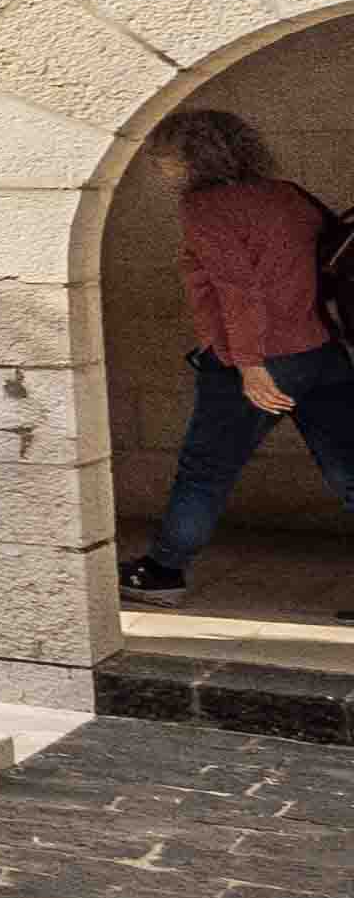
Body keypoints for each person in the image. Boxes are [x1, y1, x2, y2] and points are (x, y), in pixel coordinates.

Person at [125, 106, 354, 600]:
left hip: (257, 361)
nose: (158, 168)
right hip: (322, 353)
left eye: (162, 157)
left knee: (206, 469)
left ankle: (164, 572)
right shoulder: (286, 194)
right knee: (350, 467)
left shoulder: (205, 207)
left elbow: (239, 290)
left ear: (193, 157)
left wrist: (250, 366)